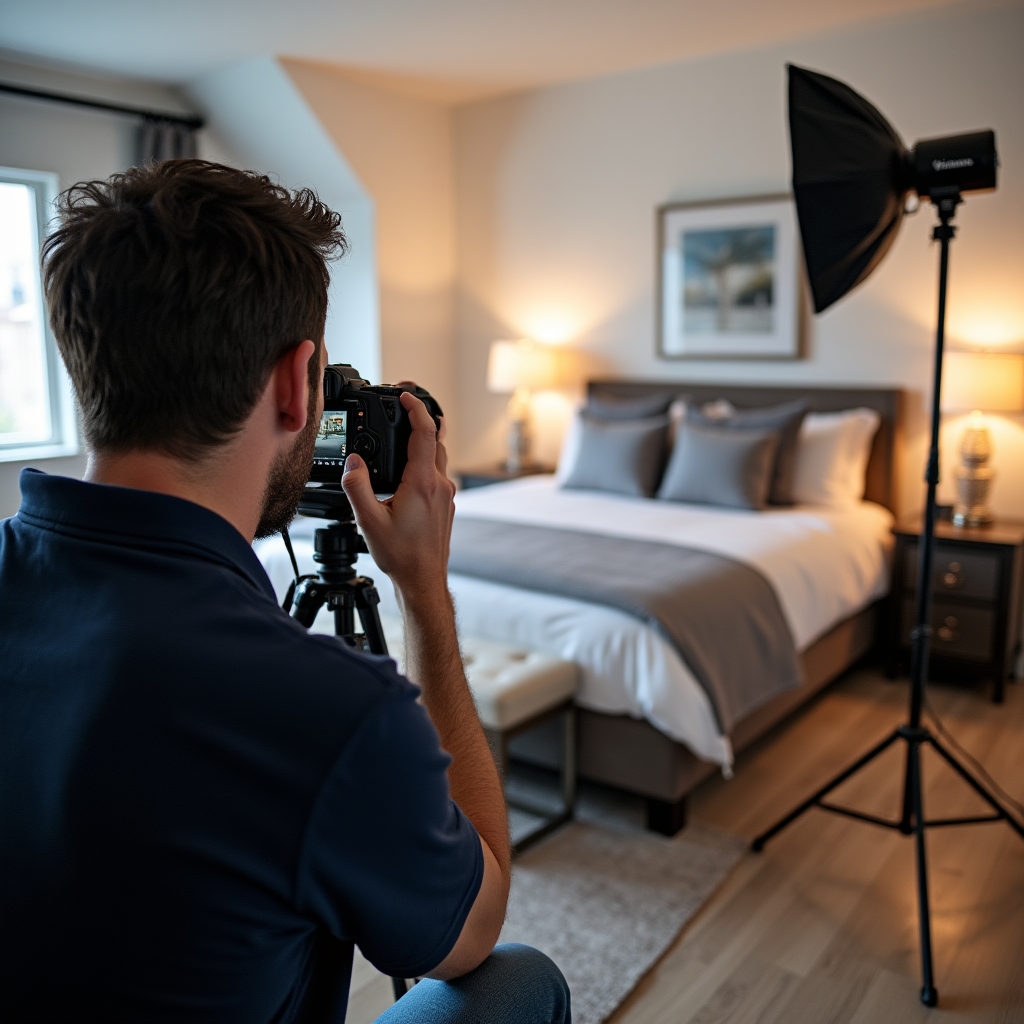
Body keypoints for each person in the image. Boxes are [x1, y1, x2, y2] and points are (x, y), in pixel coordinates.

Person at [0, 159, 570, 1024]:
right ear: (298, 382)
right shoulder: (328, 707)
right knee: (520, 980)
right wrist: (424, 595)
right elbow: (474, 928)